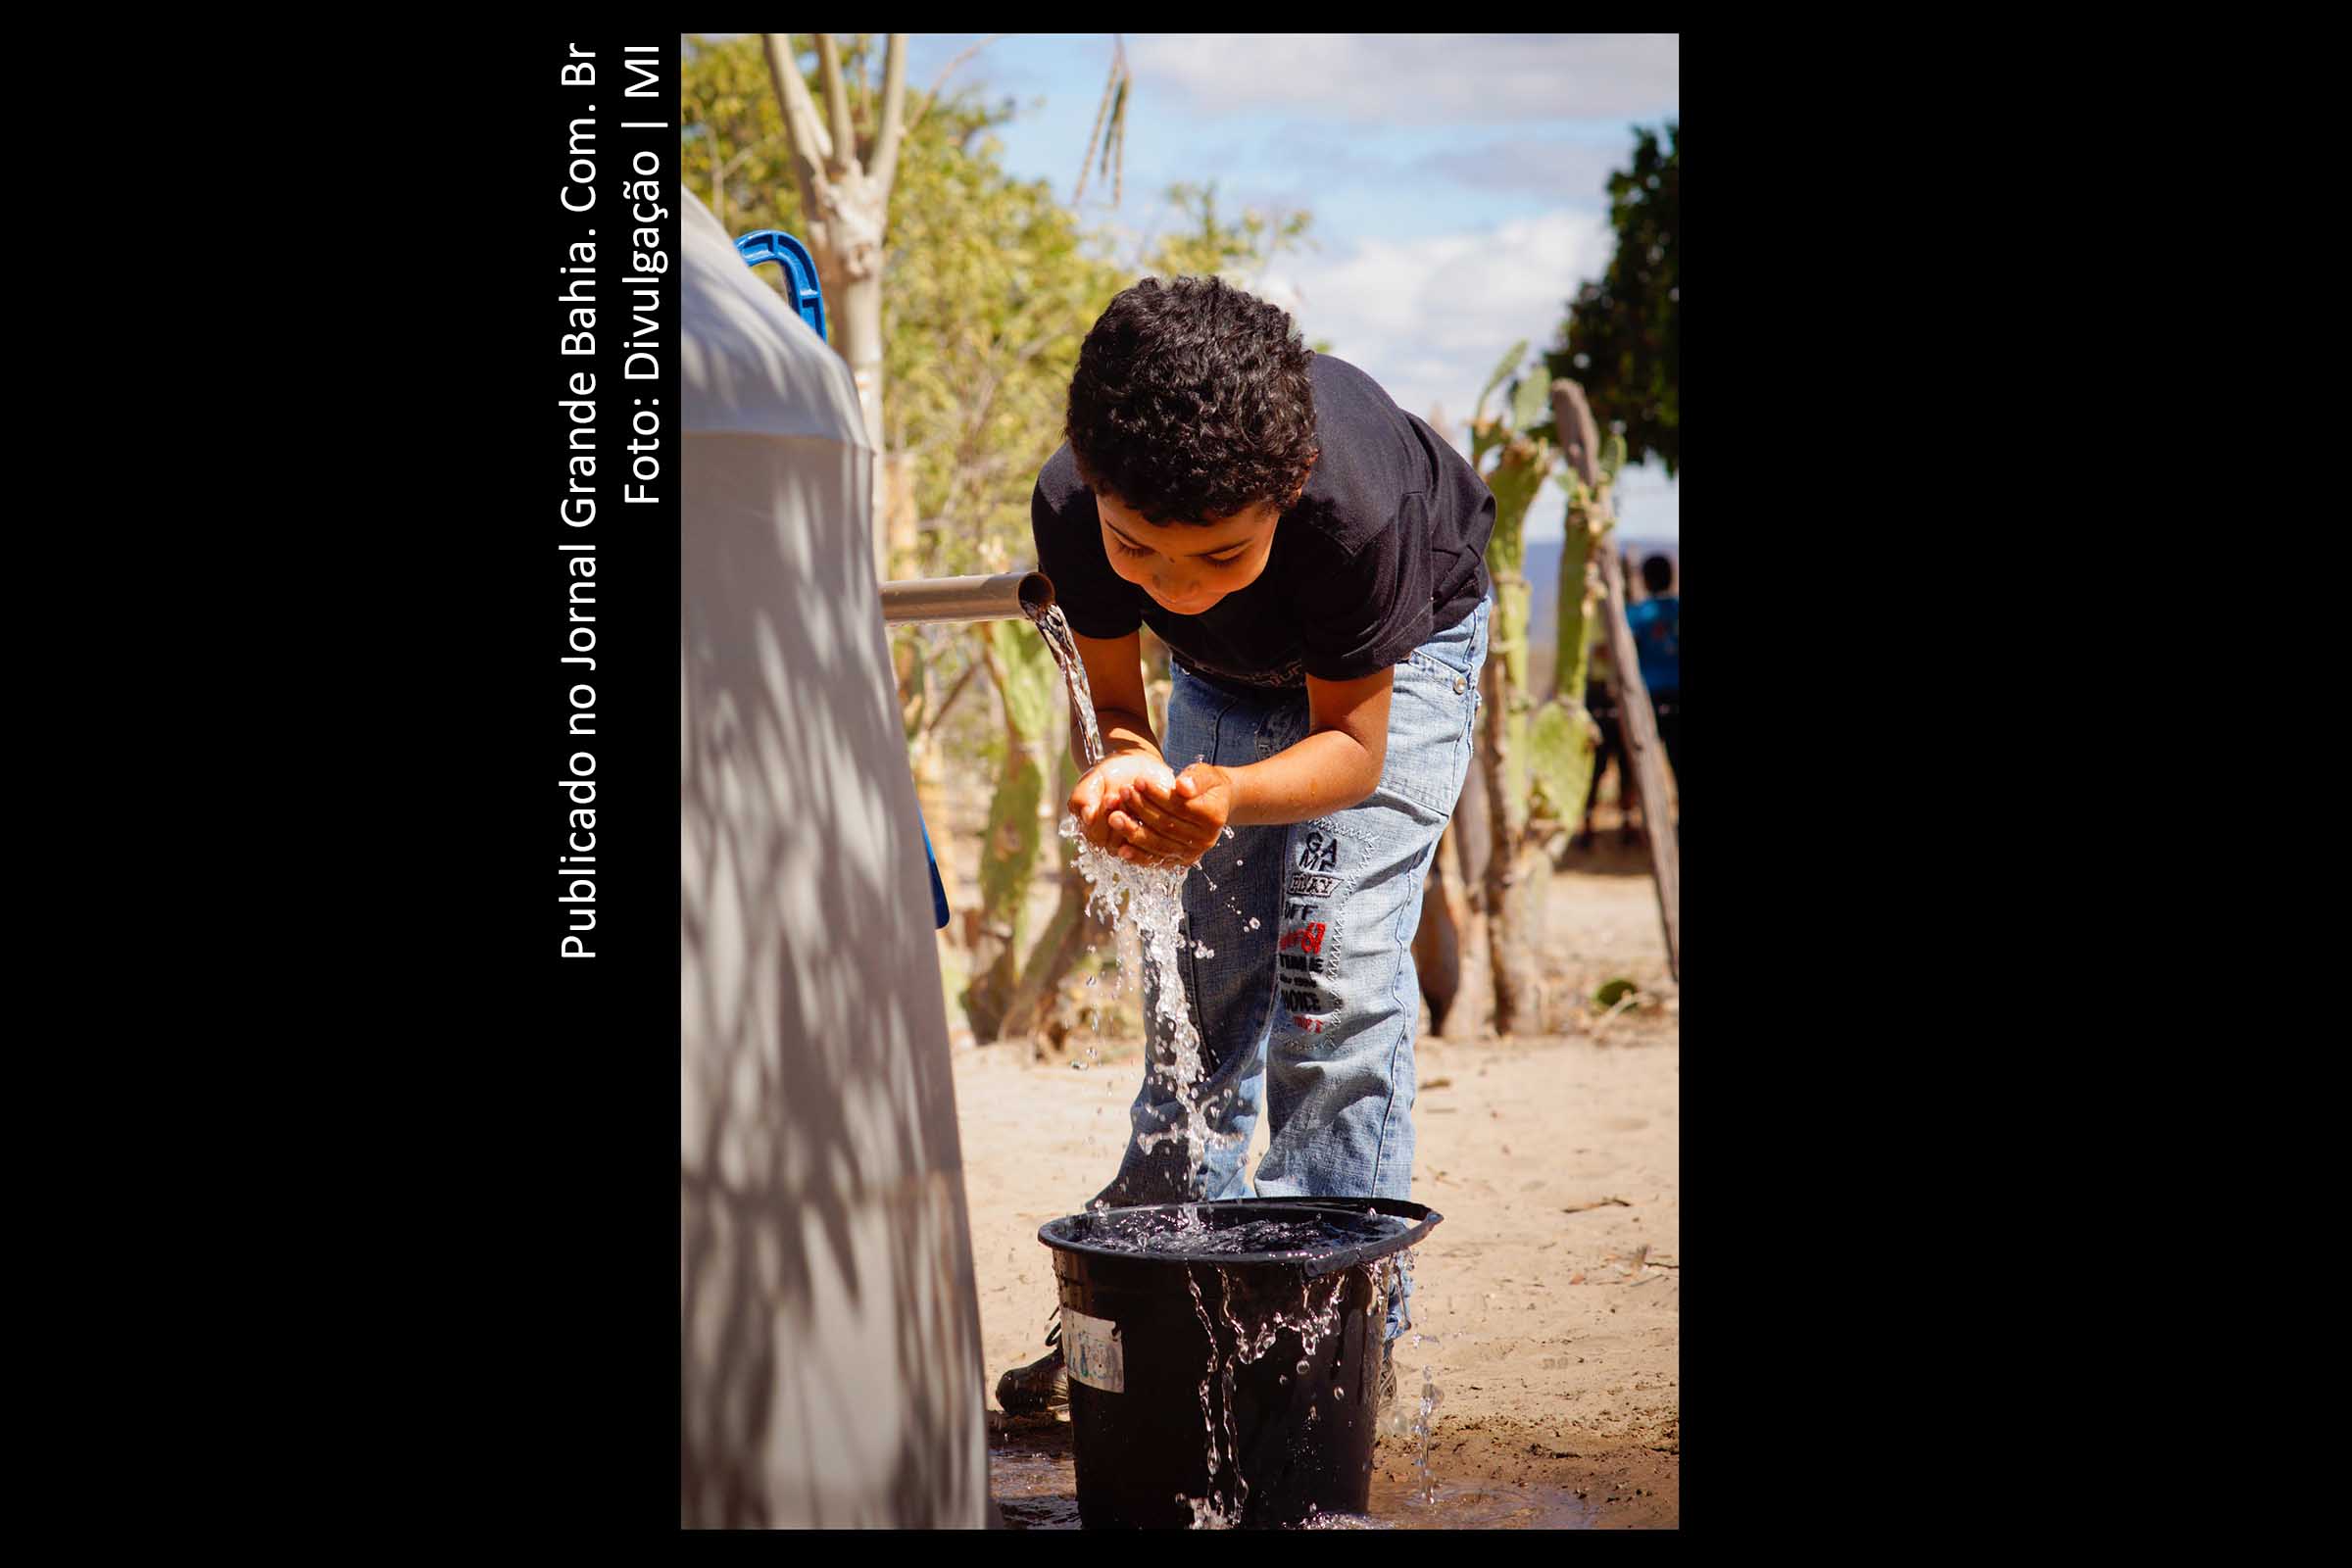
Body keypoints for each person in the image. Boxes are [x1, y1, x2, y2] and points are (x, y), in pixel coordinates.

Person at [996, 276, 1494, 1416]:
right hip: (1223, 679)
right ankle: (1160, 1291)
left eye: (1218, 557)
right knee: (1201, 984)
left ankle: (1321, 1333)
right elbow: (1115, 707)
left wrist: (1220, 794)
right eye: (1139, 550)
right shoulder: (1075, 499)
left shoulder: (1354, 510)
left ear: (1286, 487)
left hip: (1400, 659)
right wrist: (1126, 765)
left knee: (1332, 975)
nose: (1175, 587)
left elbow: (1351, 749)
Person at [1625, 554, 1680, 804]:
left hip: (1647, 697)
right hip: (1675, 694)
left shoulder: (1636, 614)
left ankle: (1646, 810)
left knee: (1642, 759)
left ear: (1645, 580)